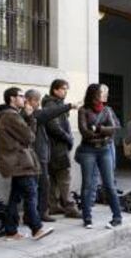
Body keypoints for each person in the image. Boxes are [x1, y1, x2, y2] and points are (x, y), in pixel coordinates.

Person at [0, 87, 53, 240]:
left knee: (15, 197)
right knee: (31, 195)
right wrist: (31, 117)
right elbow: (30, 137)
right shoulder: (11, 116)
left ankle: (11, 231)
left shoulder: (8, 115)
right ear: (12, 99)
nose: (24, 99)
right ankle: (36, 228)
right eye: (20, 96)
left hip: (17, 162)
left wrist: (26, 117)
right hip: (20, 163)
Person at [22, 89, 79, 222]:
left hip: (40, 154)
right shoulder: (31, 114)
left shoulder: (32, 114)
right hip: (36, 156)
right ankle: (38, 214)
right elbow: (50, 113)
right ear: (29, 101)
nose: (38, 103)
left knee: (39, 186)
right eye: (36, 100)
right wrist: (69, 106)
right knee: (40, 186)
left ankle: (35, 214)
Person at [76, 83, 122, 229]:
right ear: (94, 94)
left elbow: (115, 128)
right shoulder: (83, 110)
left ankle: (117, 216)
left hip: (105, 150)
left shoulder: (108, 110)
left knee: (109, 184)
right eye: (101, 92)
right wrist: (104, 133)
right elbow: (85, 132)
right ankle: (87, 217)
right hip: (88, 150)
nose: (105, 94)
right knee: (88, 185)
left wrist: (98, 128)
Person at [42, 79, 81, 218]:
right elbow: (54, 126)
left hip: (56, 146)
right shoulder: (51, 104)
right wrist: (68, 138)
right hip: (57, 146)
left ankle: (53, 205)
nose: (65, 91)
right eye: (63, 89)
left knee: (54, 178)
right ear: (55, 90)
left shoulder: (56, 103)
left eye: (66, 89)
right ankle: (70, 207)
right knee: (65, 177)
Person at [90, 84, 121, 205]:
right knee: (94, 173)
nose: (106, 95)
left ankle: (107, 197)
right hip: (95, 145)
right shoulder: (87, 109)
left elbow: (116, 125)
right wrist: (105, 129)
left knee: (110, 171)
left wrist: (101, 129)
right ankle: (90, 199)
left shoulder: (108, 109)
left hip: (109, 143)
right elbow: (90, 129)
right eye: (104, 92)